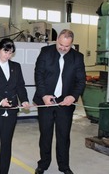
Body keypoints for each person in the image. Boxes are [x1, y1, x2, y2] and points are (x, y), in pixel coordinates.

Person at [33, 29, 86, 174]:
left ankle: (64, 166)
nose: (63, 48)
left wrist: (73, 97)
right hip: (46, 101)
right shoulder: (45, 52)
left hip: (65, 103)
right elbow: (39, 75)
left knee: (63, 135)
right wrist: (43, 95)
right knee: (45, 135)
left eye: (67, 46)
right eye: (61, 44)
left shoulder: (78, 57)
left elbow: (81, 81)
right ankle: (43, 164)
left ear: (72, 44)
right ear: (57, 40)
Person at [0, 38, 30, 174]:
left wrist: (24, 100)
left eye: (10, 53)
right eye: (5, 51)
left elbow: (20, 86)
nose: (7, 55)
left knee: (7, 144)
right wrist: (0, 100)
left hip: (12, 111)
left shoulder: (16, 67)